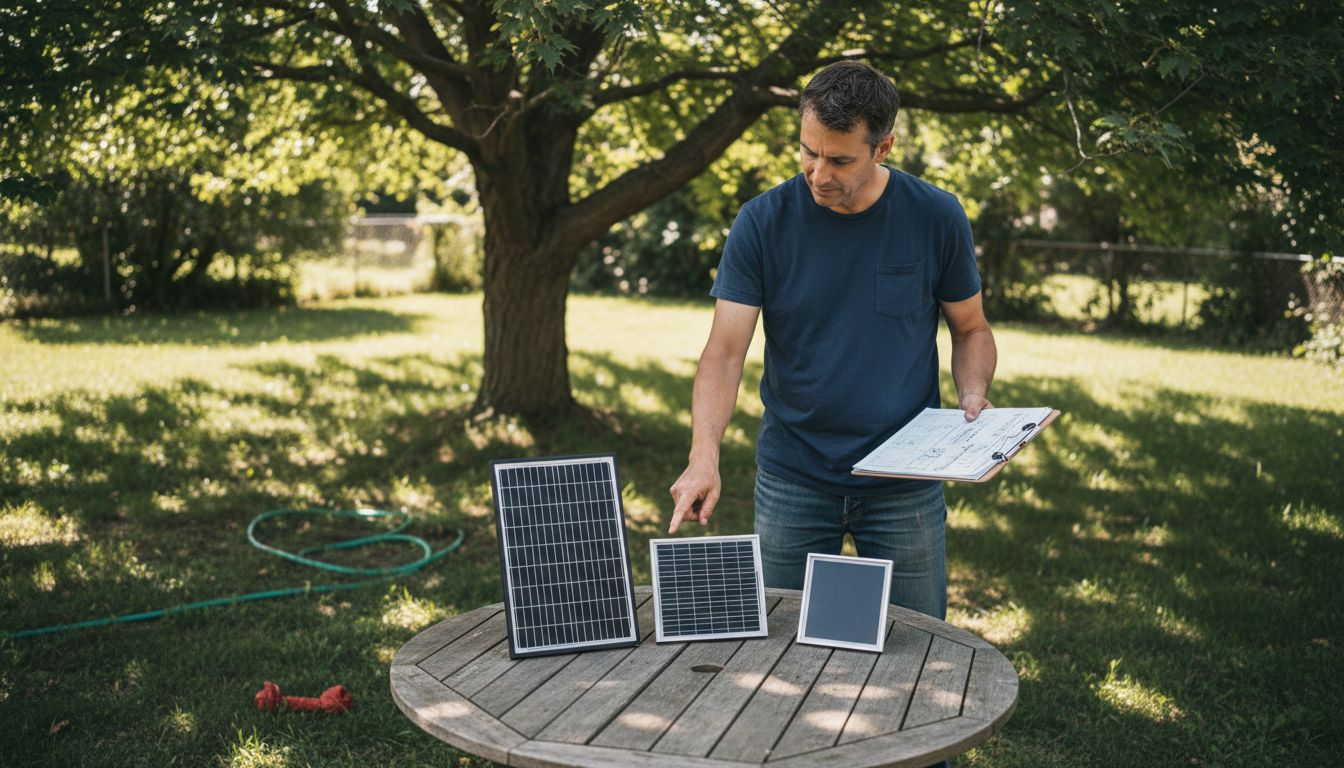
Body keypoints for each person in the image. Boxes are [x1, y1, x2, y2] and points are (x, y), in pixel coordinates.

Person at [667, 60, 997, 625]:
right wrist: (704, 457)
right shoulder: (763, 222)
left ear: (883, 147)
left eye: (839, 159)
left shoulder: (935, 216)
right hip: (794, 477)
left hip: (905, 485)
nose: (818, 174)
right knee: (774, 651)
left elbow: (971, 329)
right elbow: (724, 352)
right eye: (808, 152)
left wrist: (973, 394)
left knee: (918, 651)